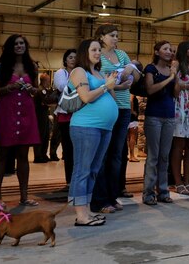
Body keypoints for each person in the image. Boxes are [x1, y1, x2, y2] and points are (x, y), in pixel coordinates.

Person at [68, 39, 118, 227]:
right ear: (84, 52)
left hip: (104, 128)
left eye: (99, 50)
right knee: (83, 170)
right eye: (94, 49)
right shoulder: (79, 72)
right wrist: (106, 86)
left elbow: (108, 95)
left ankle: (87, 210)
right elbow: (86, 97)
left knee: (93, 170)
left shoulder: (98, 73)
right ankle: (81, 214)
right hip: (86, 127)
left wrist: (109, 85)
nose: (98, 53)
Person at [91, 24, 139, 214]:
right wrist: (118, 86)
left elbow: (136, 75)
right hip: (105, 107)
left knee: (117, 156)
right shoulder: (97, 55)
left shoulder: (122, 55)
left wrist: (130, 73)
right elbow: (101, 81)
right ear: (101, 37)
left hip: (124, 108)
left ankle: (112, 195)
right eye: (112, 35)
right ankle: (100, 199)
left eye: (117, 35)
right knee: (102, 154)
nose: (116, 38)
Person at [0, 34, 40, 206]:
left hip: (26, 113)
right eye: (16, 43)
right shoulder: (1, 67)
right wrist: (10, 87)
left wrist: (32, 89)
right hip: (6, 113)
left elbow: (37, 91)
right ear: (10, 47)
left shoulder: (32, 67)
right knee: (1, 155)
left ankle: (24, 196)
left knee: (23, 155)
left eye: (22, 43)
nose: (19, 46)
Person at [141, 41, 177, 205]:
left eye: (171, 49)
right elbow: (150, 90)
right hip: (154, 116)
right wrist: (169, 78)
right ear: (157, 52)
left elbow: (175, 92)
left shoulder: (172, 70)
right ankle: (148, 193)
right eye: (165, 49)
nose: (169, 51)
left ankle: (163, 191)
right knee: (153, 156)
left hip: (170, 115)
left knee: (164, 156)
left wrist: (175, 76)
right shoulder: (151, 69)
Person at [171, 41, 189, 194]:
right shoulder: (176, 64)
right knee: (178, 145)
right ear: (184, 50)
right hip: (180, 107)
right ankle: (178, 182)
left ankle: (188, 181)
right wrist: (183, 85)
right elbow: (173, 84)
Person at [52, 49, 77, 188]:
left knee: (78, 149)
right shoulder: (61, 73)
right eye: (70, 57)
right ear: (65, 60)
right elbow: (62, 87)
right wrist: (79, 84)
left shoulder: (81, 72)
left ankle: (77, 178)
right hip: (65, 115)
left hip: (79, 114)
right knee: (68, 149)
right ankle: (69, 181)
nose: (73, 59)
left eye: (75, 57)